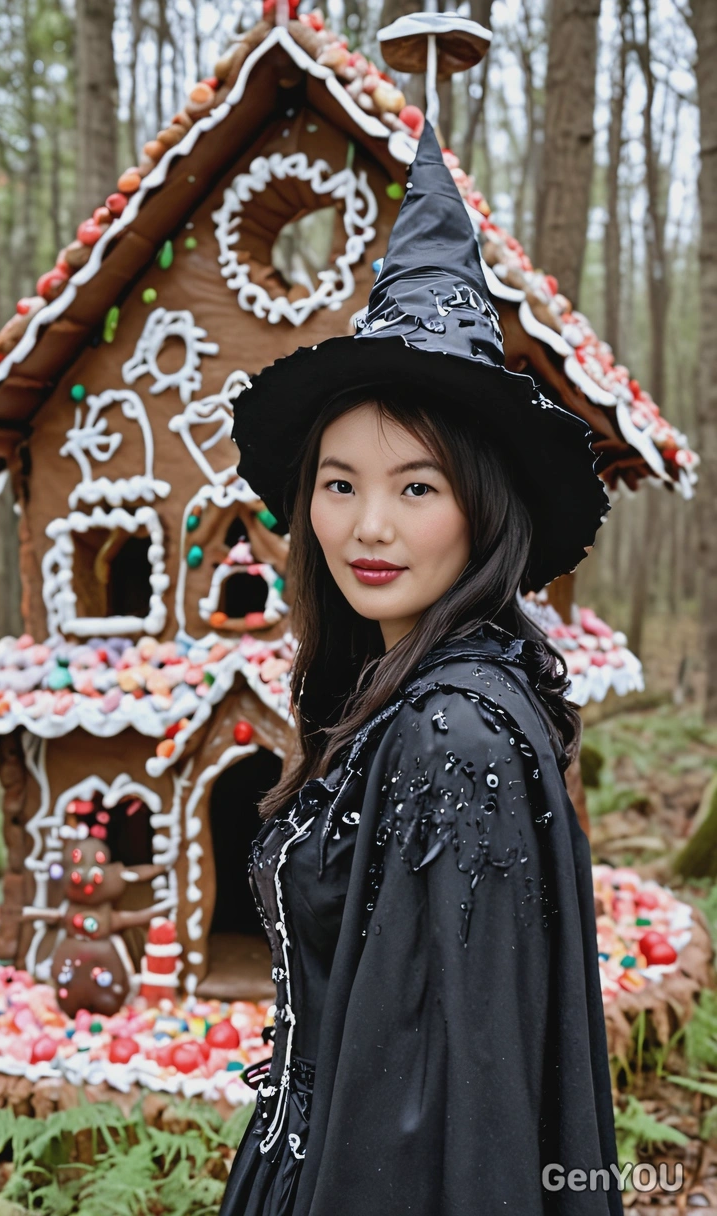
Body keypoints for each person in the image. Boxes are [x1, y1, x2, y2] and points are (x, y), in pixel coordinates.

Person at [218, 122, 622, 1216]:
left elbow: (462, 1112)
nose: (367, 527)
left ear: (481, 508)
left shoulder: (452, 739)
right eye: (339, 484)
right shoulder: (405, 693)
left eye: (416, 486)